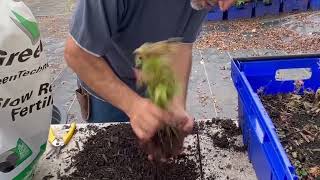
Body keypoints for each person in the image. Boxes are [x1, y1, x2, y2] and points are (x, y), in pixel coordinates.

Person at [64, 0, 234, 160]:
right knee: (108, 159)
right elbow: (77, 55)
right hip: (106, 91)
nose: (225, 5)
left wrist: (175, 104)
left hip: (150, 88)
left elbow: (181, 46)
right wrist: (132, 105)